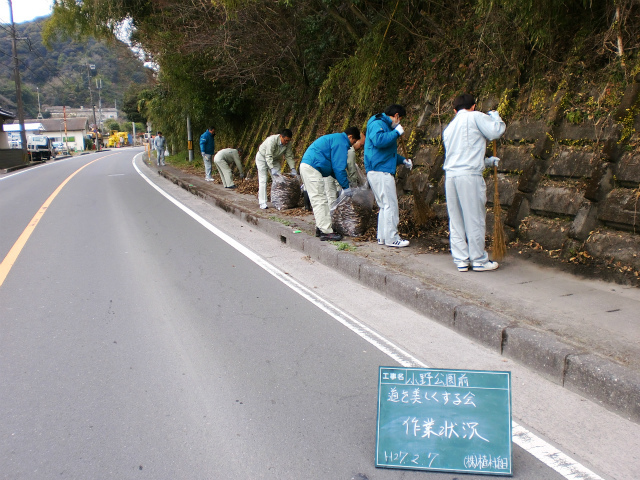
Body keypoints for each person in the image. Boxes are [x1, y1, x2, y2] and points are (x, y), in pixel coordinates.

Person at [442, 93, 506, 272]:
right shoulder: (475, 116)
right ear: (473, 106)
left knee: (456, 220)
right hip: (469, 176)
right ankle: (478, 260)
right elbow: (495, 132)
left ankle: (461, 260)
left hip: (451, 175)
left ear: (455, 110)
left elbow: (459, 153)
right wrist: (496, 117)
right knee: (474, 218)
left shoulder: (449, 127)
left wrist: (485, 161)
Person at [364, 104, 413, 248]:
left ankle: (383, 237)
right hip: (381, 171)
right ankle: (392, 238)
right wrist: (396, 133)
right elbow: (379, 141)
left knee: (384, 206)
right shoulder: (378, 123)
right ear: (396, 115)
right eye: (400, 119)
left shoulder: (384, 125)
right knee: (390, 205)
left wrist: (403, 160)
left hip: (379, 169)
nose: (399, 122)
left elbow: (387, 154)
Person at [300, 127, 360, 241]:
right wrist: (346, 187)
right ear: (350, 136)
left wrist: (344, 183)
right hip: (312, 167)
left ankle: (320, 227)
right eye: (354, 141)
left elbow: (334, 169)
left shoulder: (337, 139)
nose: (352, 145)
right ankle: (326, 232)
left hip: (309, 166)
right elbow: (339, 168)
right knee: (320, 200)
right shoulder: (342, 142)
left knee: (319, 199)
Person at [255, 129, 296, 209]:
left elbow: (289, 156)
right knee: (263, 179)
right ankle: (262, 202)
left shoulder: (288, 144)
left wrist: (293, 168)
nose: (286, 142)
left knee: (278, 179)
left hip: (275, 159)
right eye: (285, 140)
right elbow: (268, 155)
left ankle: (278, 201)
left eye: (288, 141)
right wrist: (271, 168)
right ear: (281, 136)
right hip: (262, 158)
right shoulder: (272, 140)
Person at [322, 133, 365, 205]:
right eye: (361, 145)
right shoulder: (351, 150)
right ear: (356, 140)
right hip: (336, 173)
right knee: (338, 197)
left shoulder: (339, 144)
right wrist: (353, 186)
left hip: (329, 172)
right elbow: (351, 169)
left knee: (331, 197)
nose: (360, 148)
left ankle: (332, 213)